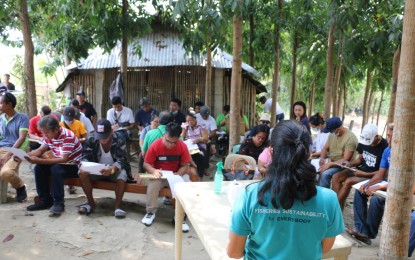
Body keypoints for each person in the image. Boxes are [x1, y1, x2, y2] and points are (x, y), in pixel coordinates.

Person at [227, 120, 344, 259]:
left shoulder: (250, 195)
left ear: (271, 151)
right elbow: (325, 248)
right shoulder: (329, 199)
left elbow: (233, 253)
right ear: (308, 153)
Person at [142, 122, 197, 232]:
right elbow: (146, 163)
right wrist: (154, 171)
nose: (170, 145)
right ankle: (150, 212)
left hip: (176, 174)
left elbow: (185, 165)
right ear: (164, 135)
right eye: (167, 141)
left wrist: (179, 174)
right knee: (153, 184)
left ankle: (180, 218)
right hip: (160, 174)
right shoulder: (156, 145)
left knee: (186, 185)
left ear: (178, 139)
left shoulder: (182, 146)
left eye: (174, 142)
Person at [345, 123, 393, 245]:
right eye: (388, 136)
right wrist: (368, 184)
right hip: (386, 182)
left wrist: (378, 186)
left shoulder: (406, 154)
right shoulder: (387, 151)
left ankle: (369, 234)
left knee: (377, 199)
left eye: (393, 137)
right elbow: (381, 174)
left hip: (399, 186)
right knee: (360, 191)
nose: (389, 140)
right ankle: (361, 230)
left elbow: (401, 181)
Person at [25, 116, 83, 216]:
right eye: (44, 133)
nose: (45, 135)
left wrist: (39, 160)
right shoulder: (49, 136)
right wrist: (24, 156)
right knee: (39, 168)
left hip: (74, 165)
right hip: (59, 162)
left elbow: (64, 159)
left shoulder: (67, 135)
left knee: (56, 169)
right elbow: (40, 150)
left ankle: (59, 202)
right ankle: (45, 200)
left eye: (46, 133)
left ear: (56, 129)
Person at [78, 119, 132, 218]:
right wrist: (84, 166)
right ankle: (91, 203)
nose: (102, 139)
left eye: (105, 136)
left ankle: (117, 207)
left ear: (111, 132)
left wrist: (112, 169)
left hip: (113, 170)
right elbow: (84, 157)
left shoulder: (119, 139)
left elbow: (122, 160)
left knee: (122, 175)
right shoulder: (91, 139)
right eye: (100, 137)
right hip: (96, 170)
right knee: (82, 173)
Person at [332, 124, 388, 209]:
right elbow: (360, 160)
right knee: (336, 177)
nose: (369, 144)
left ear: (377, 136)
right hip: (360, 170)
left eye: (371, 142)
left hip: (373, 176)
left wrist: (364, 174)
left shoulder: (385, 146)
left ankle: (334, 208)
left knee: (348, 181)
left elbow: (382, 173)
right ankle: (337, 203)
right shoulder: (363, 141)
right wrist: (349, 164)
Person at [0, 92, 29, 202]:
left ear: (10, 104)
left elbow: (21, 138)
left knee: (6, 172)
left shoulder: (22, 117)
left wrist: (8, 155)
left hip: (15, 150)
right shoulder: (1, 118)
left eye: (1, 103)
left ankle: (20, 187)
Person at [318, 116, 358, 188]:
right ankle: (323, 194)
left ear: (338, 129)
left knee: (325, 174)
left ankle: (326, 197)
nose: (330, 133)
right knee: (320, 170)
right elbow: (325, 149)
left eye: (331, 131)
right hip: (333, 162)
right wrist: (322, 159)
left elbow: (346, 159)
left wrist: (330, 164)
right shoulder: (332, 135)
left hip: (344, 166)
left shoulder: (350, 138)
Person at [181, 112, 209, 178]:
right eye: (188, 121)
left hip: (199, 145)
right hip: (189, 145)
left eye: (192, 120)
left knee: (200, 155)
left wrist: (198, 140)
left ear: (195, 119)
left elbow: (205, 138)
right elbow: (182, 136)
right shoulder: (185, 126)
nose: (190, 122)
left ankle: (200, 174)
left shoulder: (201, 126)